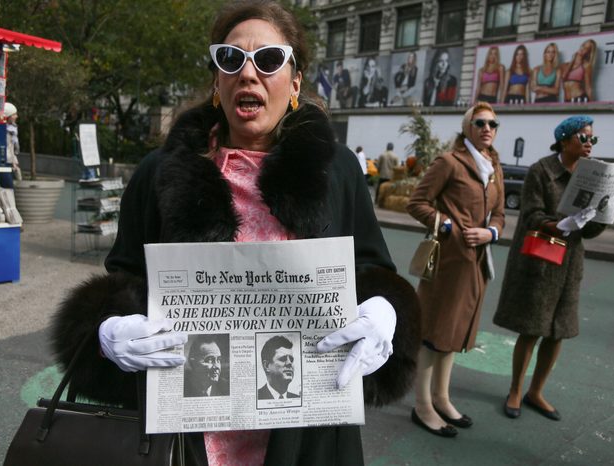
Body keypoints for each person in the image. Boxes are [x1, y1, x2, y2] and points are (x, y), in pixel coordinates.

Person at [51, 1, 420, 464]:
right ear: (216, 82)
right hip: (185, 438)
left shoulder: (336, 170)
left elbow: (372, 268)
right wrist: (107, 329)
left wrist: (386, 311)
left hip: (307, 433)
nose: (248, 74)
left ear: (295, 83)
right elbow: (122, 277)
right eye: (231, 59)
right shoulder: (160, 173)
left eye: (267, 60)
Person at [493, 115, 606, 421]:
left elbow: (591, 231)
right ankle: (516, 389)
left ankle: (536, 392)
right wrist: (560, 224)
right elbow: (531, 216)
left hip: (570, 265)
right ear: (566, 139)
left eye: (592, 139)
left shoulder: (592, 174)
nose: (589, 144)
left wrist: (604, 213)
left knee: (558, 333)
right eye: (584, 138)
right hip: (541, 262)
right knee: (532, 330)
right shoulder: (541, 170)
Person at [406, 102, 505, 437]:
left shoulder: (493, 165)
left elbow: (501, 213)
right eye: (480, 123)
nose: (488, 128)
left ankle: (441, 398)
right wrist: (447, 225)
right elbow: (416, 202)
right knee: (434, 334)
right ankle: (422, 406)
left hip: (477, 264)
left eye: (493, 123)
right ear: (467, 127)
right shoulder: (449, 162)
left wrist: (490, 232)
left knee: (454, 335)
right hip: (448, 264)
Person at [258, 335, 299, 400]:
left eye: (291, 359)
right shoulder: (257, 397)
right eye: (283, 359)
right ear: (266, 366)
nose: (289, 363)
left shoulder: (297, 398)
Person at [0, 102, 21, 189]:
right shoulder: (2, 129)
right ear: (8, 116)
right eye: (14, 114)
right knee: (9, 188)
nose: (16, 116)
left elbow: (12, 148)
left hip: (9, 162)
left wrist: (14, 162)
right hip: (2, 162)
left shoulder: (13, 129)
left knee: (9, 188)